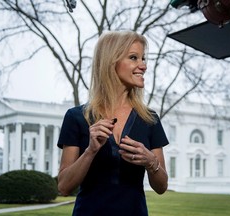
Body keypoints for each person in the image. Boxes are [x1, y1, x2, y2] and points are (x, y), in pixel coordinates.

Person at [57, 30, 169, 216]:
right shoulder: (76, 117)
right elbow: (64, 187)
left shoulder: (150, 119)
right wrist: (90, 151)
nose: (143, 66)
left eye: (143, 59)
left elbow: (162, 186)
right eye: (134, 57)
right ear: (111, 61)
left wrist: (151, 162)